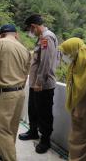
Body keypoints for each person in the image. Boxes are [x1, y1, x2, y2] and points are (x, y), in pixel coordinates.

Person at [0, 24, 31, 161]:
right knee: (12, 126)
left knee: (2, 127)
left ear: (1, 35)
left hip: (5, 94)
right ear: (16, 34)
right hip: (20, 93)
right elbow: (26, 73)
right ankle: (5, 153)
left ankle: (9, 157)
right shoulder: (24, 49)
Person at [18, 14, 59, 154]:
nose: (30, 32)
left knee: (44, 113)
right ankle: (33, 131)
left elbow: (46, 62)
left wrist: (40, 81)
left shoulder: (47, 37)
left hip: (43, 85)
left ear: (34, 26)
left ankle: (45, 140)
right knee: (33, 109)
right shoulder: (41, 38)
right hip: (35, 84)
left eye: (30, 29)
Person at [59, 38, 86, 161]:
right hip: (78, 111)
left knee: (80, 142)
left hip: (84, 113)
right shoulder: (77, 65)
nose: (64, 56)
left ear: (74, 51)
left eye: (66, 53)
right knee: (76, 140)